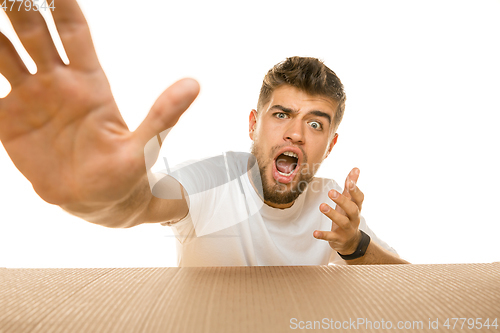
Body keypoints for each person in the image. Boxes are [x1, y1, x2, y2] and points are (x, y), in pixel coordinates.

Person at [0, 0, 408, 266]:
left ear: (331, 144)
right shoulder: (216, 181)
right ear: (253, 123)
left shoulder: (332, 204)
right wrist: (104, 196)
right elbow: (140, 204)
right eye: (281, 114)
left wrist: (355, 244)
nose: (297, 134)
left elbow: (419, 288)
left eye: (315, 123)